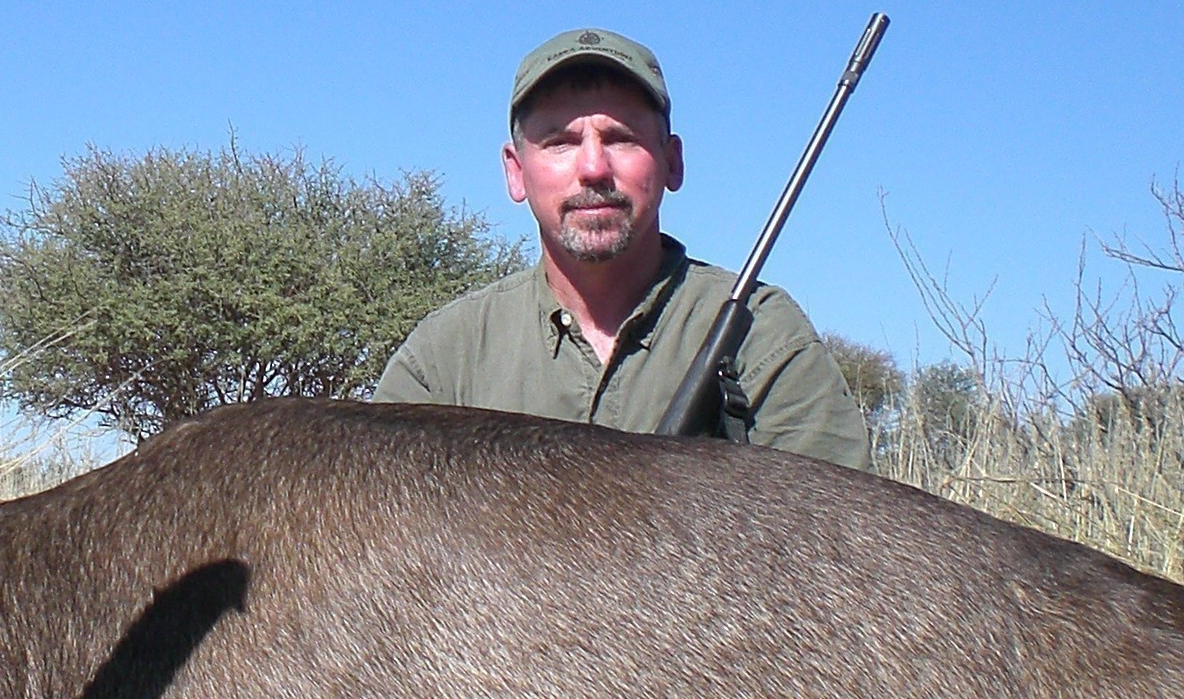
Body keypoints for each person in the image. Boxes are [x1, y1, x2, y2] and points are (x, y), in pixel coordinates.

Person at [373, 29, 872, 468]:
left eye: (621, 138)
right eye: (560, 142)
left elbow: (841, 546)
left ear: (672, 163)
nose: (593, 168)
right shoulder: (442, 360)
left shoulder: (764, 335)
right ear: (515, 171)